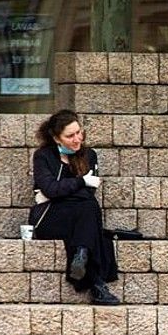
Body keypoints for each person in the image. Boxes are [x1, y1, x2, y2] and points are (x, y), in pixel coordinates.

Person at [30, 109, 120, 305]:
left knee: (87, 207)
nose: (77, 139)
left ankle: (82, 255)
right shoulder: (43, 156)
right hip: (50, 217)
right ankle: (96, 283)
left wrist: (54, 192)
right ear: (56, 138)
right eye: (70, 136)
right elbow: (51, 187)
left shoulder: (90, 156)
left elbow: (84, 192)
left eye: (79, 132)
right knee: (90, 220)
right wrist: (81, 182)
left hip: (79, 216)